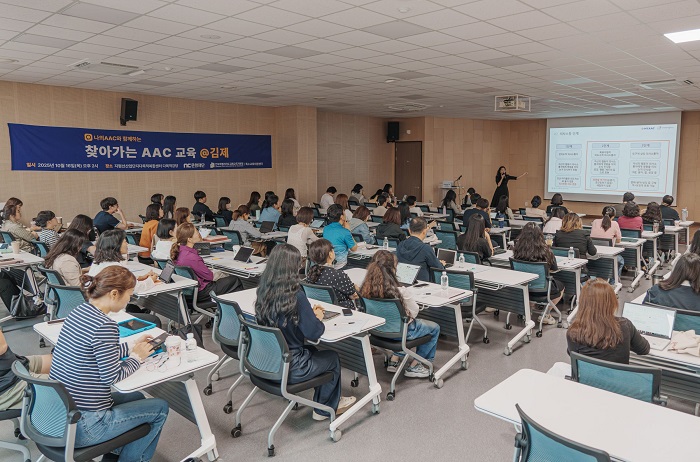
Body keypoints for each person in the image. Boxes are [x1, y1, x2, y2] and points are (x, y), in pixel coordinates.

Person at [49, 266, 169, 461]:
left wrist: (132, 346)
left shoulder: (79, 311)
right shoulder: (105, 325)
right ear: (114, 293)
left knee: (136, 396)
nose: (129, 300)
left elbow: (96, 352)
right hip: (86, 425)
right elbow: (111, 377)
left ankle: (114, 455)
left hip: (61, 416)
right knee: (160, 408)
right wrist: (136, 357)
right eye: (129, 294)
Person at [255, 244, 356, 420]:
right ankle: (324, 409)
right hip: (292, 366)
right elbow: (314, 333)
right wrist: (316, 317)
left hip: (268, 360)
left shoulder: (264, 291)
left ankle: (325, 400)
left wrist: (307, 315)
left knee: (314, 351)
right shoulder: (295, 295)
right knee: (332, 357)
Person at [359, 250, 440, 378]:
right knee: (434, 328)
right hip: (400, 334)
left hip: (376, 331)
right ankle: (415, 366)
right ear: (392, 270)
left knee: (401, 324)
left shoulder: (364, 289)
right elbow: (414, 312)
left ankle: (395, 358)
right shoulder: (400, 291)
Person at [568, 279, 649, 364]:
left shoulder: (573, 332)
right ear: (612, 301)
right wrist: (628, 340)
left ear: (583, 302)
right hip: (618, 373)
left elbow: (573, 355)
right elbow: (644, 349)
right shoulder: (625, 326)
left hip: (588, 373)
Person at [172, 223, 242, 301]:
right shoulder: (192, 257)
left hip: (188, 292)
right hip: (203, 291)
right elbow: (209, 277)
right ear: (189, 239)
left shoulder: (179, 251)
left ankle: (227, 306)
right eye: (196, 232)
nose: (199, 234)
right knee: (235, 280)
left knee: (226, 280)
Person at [512, 222, 563, 325]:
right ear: (540, 236)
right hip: (542, 289)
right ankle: (546, 313)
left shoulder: (517, 251)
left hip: (523, 287)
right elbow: (554, 269)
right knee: (561, 286)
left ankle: (528, 310)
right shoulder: (547, 251)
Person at [89, 230, 159, 295]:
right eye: (125, 242)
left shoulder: (98, 262)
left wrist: (140, 277)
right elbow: (135, 288)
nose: (127, 244)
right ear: (117, 245)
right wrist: (151, 280)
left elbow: (119, 280)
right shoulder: (115, 267)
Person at [0, 327, 52, 411]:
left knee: (62, 360)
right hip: (7, 386)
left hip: (13, 364)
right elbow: (2, 347)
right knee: (69, 384)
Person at [306, 239, 358, 309]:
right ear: (330, 254)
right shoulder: (338, 275)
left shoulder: (310, 272)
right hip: (340, 309)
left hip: (318, 308)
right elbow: (354, 294)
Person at [397, 217, 444, 282]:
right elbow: (438, 268)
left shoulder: (400, 245)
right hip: (423, 284)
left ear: (409, 230)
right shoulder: (425, 248)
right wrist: (442, 264)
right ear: (424, 231)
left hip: (403, 283)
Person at [590, 206, 624, 280]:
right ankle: (613, 281)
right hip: (608, 257)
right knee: (620, 260)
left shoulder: (595, 221)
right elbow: (618, 240)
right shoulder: (614, 223)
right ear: (614, 216)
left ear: (602, 213)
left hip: (593, 254)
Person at [321, 204, 357, 269]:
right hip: (341, 266)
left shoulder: (325, 229)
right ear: (341, 217)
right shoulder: (345, 232)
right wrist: (348, 230)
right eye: (344, 213)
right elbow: (354, 248)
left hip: (328, 263)